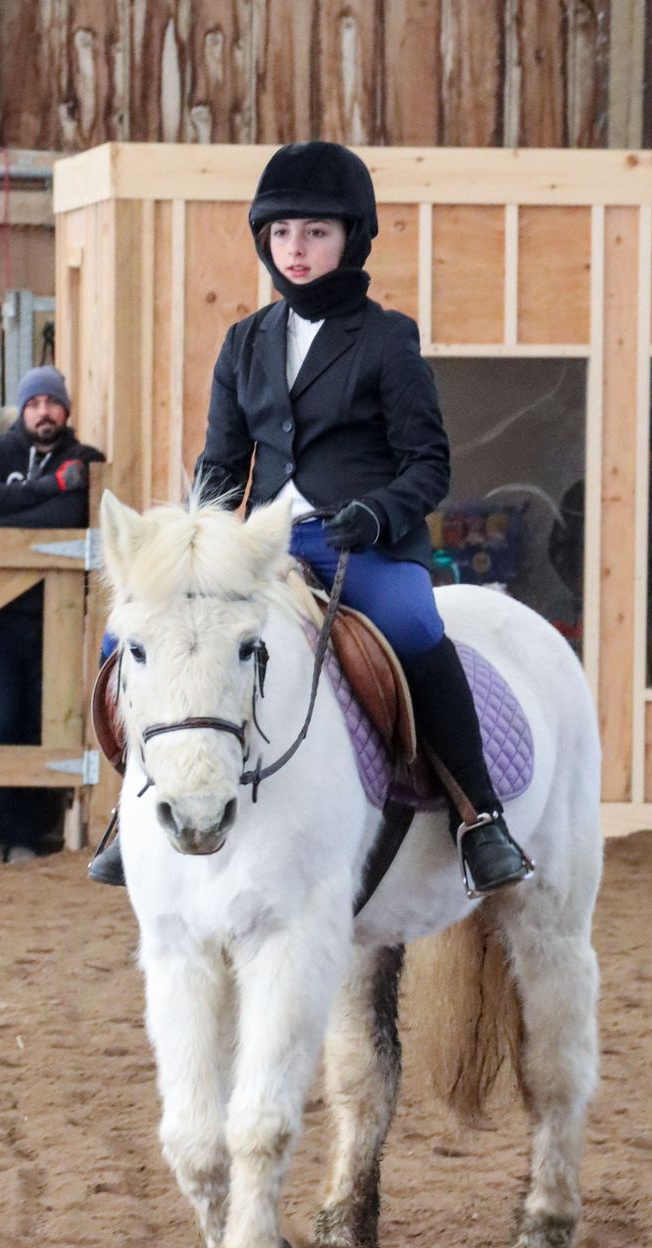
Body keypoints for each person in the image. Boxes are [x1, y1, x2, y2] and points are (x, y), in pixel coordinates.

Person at [194, 142, 526, 893]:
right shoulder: (244, 342)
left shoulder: (385, 338)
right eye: (282, 233)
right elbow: (221, 466)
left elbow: (428, 464)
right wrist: (200, 538)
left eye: (316, 232)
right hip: (264, 548)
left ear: (351, 238)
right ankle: (138, 810)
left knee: (412, 628)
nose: (296, 248)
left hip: (363, 547)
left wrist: (376, 515)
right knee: (147, 634)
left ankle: (480, 819)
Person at [0, 366, 104, 863]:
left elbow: (71, 516)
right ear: (22, 410)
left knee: (42, 725)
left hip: (55, 619)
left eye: (52, 402)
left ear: (65, 409)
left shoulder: (86, 459)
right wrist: (52, 487)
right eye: (34, 403)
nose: (43, 412)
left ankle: (28, 836)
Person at [550, 410, 652, 684]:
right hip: (601, 620)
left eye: (642, 445)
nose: (630, 454)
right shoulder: (581, 496)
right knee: (603, 691)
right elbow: (561, 551)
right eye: (622, 444)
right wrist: (590, 592)